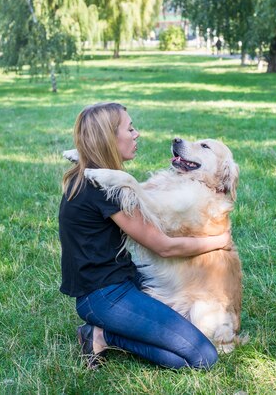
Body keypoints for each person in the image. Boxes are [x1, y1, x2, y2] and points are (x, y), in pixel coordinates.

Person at [58, 102, 231, 370]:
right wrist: (218, 242)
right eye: (130, 129)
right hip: (106, 296)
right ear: (109, 139)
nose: (136, 134)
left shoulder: (96, 176)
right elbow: (163, 247)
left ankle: (113, 329)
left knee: (181, 346)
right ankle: (101, 335)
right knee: (202, 357)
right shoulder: (105, 188)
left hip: (123, 281)